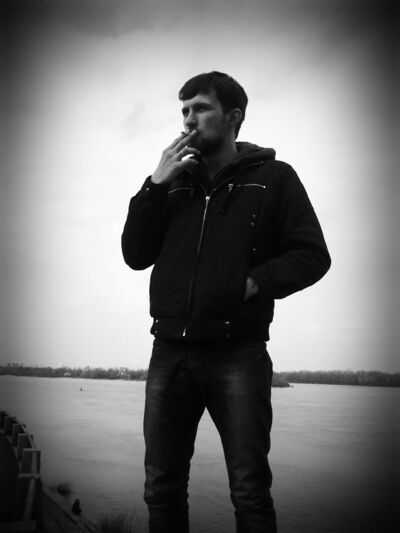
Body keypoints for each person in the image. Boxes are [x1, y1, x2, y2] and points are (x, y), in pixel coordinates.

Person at [121, 71, 331, 533]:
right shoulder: (172, 183)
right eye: (184, 110)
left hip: (239, 353)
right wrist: (154, 184)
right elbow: (134, 255)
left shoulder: (274, 178)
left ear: (233, 117)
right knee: (161, 489)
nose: (188, 119)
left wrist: (253, 283)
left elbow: (313, 255)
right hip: (169, 350)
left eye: (201, 108)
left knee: (249, 492)